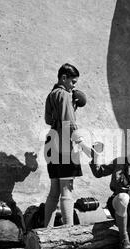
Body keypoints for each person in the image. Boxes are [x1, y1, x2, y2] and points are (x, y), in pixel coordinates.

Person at [43, 63, 92, 227]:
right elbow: (68, 123)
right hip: (64, 141)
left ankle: (46, 231)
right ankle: (68, 231)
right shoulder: (64, 95)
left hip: (51, 140)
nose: (74, 86)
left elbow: (49, 120)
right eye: (73, 82)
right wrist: (81, 143)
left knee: (54, 191)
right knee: (67, 189)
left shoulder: (51, 94)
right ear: (64, 78)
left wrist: (72, 107)